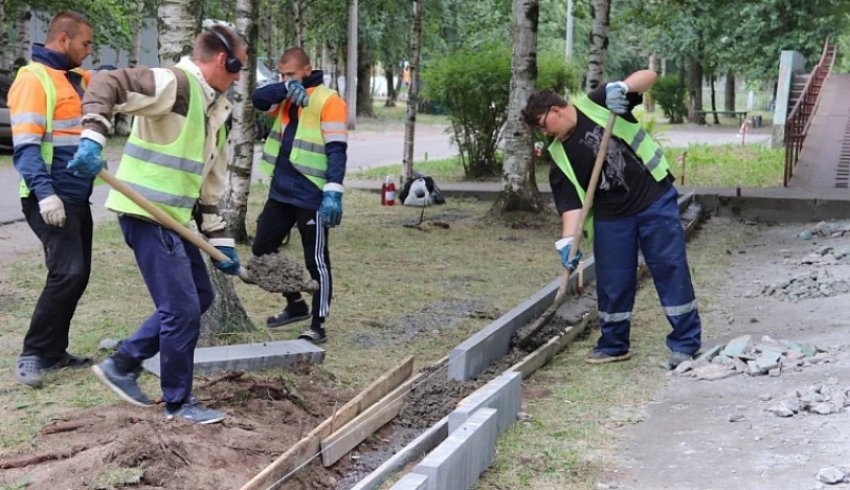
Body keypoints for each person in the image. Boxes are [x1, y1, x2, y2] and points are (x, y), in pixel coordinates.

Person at [67, 25, 247, 424]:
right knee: (181, 309)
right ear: (222, 60)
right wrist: (92, 138)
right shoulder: (175, 84)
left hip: (175, 220)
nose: (238, 78)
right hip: (147, 215)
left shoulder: (215, 108)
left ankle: (124, 362)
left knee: (200, 297)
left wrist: (223, 243)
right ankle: (179, 403)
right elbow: (109, 82)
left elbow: (208, 189)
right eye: (237, 69)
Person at [521, 70, 702, 368]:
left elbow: (650, 75)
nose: (546, 133)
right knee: (613, 282)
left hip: (652, 200)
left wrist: (624, 88)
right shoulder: (559, 156)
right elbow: (571, 206)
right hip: (612, 218)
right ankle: (614, 345)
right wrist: (569, 242)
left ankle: (685, 343)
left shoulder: (598, 102)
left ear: (555, 110)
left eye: (544, 125)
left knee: (670, 268)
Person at [8, 11, 95, 388]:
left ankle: (55, 351)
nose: (89, 51)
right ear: (63, 40)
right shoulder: (33, 79)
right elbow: (26, 148)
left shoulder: (75, 78)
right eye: (86, 44)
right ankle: (32, 354)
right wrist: (46, 195)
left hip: (77, 196)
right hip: (50, 197)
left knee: (78, 274)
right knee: (68, 272)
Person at [251, 47, 348, 344]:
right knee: (262, 248)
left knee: (316, 261)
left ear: (308, 70)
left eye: (291, 74)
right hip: (281, 191)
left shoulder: (330, 101)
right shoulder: (284, 95)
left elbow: (336, 151)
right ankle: (295, 304)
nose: (286, 78)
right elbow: (258, 100)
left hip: (312, 194)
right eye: (282, 74)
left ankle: (318, 325)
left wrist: (333, 192)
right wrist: (285, 87)